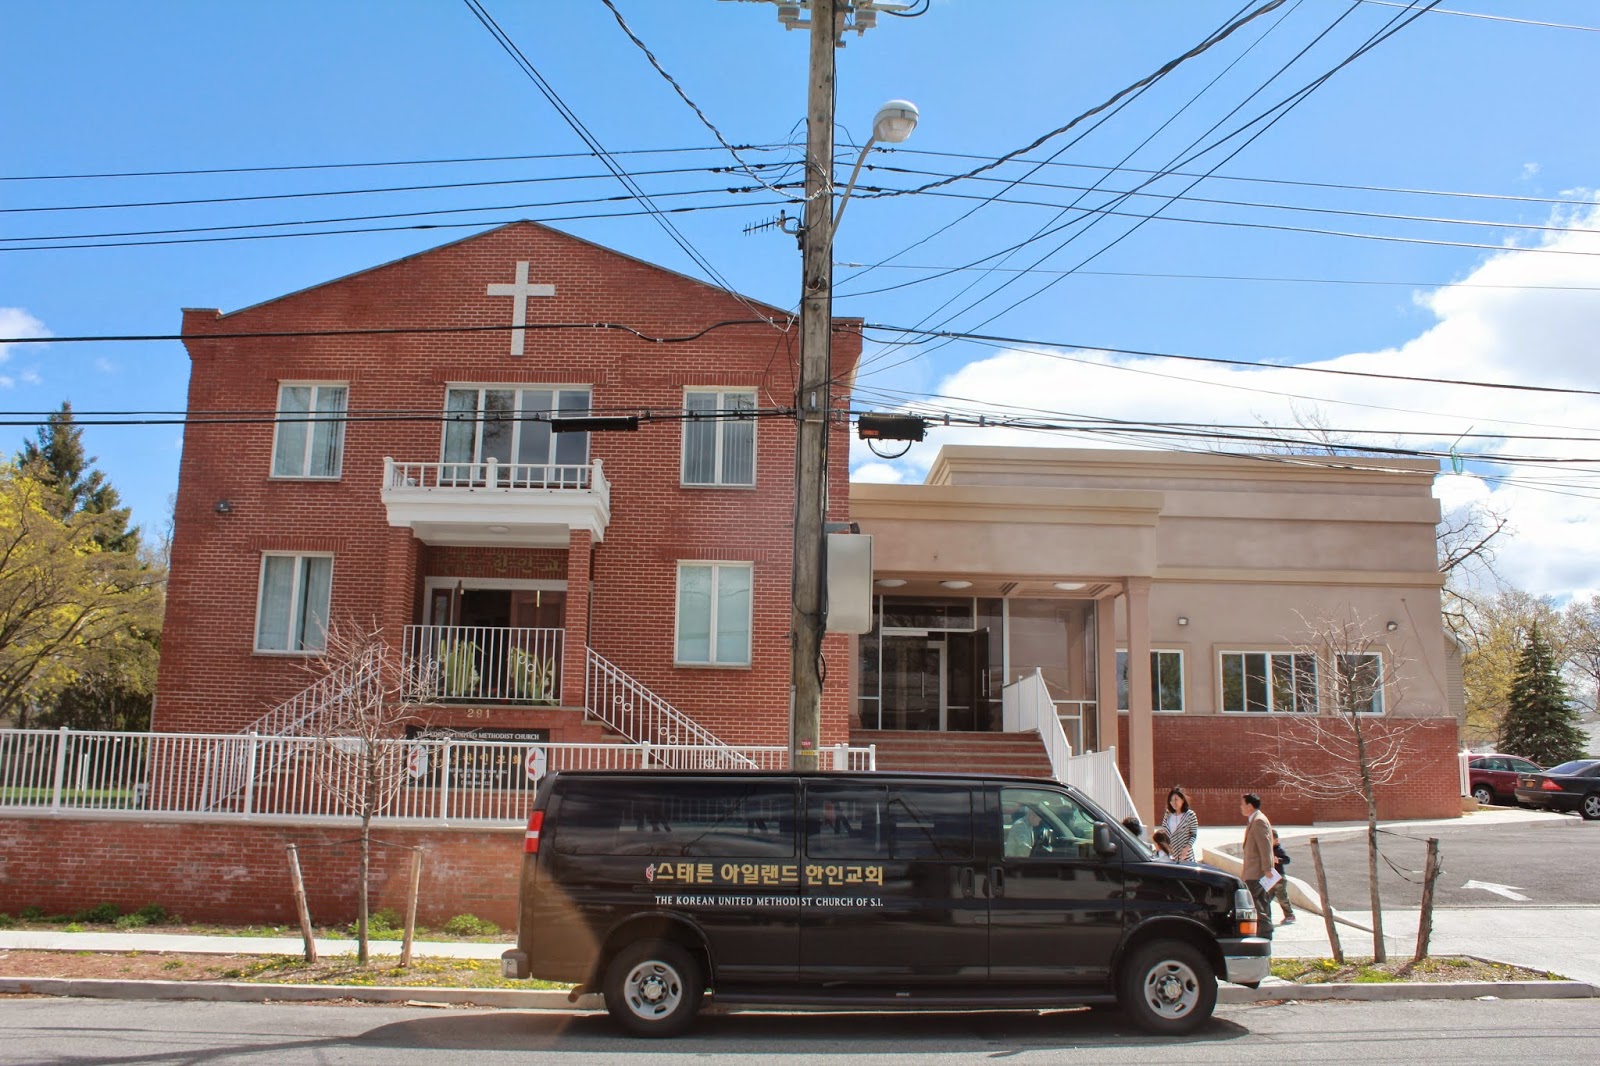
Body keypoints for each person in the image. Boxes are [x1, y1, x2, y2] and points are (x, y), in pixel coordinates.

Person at [1240, 793, 1275, 937]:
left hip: (1257, 873)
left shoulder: (1259, 821)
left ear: (1249, 805)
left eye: (1242, 804)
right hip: (1253, 871)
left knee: (1257, 903)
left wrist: (1267, 869)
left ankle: (1265, 932)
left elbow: (1265, 847)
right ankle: (1263, 931)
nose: (1241, 807)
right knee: (1259, 903)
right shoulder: (1253, 820)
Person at [1163, 786, 1199, 863]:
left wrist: (1186, 849)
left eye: (1176, 799)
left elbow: (1193, 835)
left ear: (1182, 800)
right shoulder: (1167, 814)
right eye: (1171, 800)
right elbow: (1164, 832)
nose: (1173, 802)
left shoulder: (1190, 815)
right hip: (1171, 857)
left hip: (1186, 857)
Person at [1271, 830, 1296, 924]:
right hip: (1270, 878)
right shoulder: (1267, 849)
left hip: (1279, 877)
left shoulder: (1279, 850)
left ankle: (1290, 915)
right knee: (1266, 897)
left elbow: (1287, 860)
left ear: (1276, 840)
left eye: (1271, 839)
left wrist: (1278, 860)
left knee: (1282, 898)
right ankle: (1264, 915)